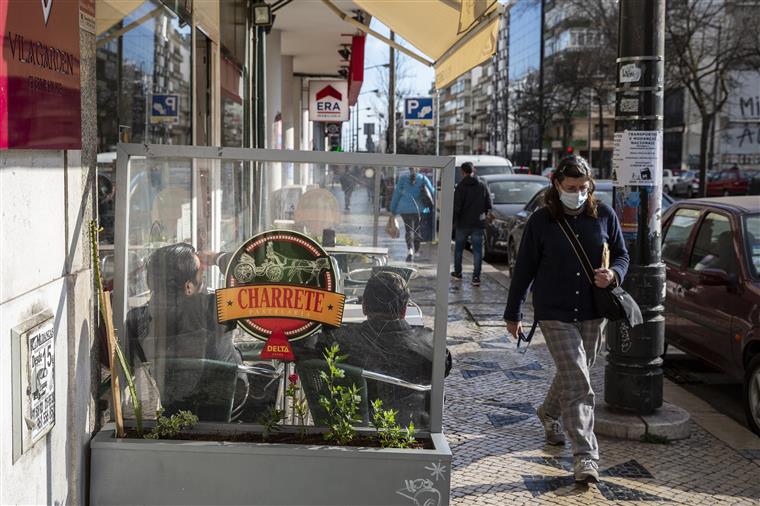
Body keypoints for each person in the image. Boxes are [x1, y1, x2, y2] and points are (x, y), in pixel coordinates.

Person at [503, 155, 629, 484]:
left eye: (583, 188)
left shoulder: (604, 214)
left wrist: (613, 274)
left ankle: (548, 412)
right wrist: (513, 312)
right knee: (579, 381)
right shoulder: (541, 220)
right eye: (571, 187)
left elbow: (622, 254)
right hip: (554, 312)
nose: (577, 193)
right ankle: (586, 456)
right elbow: (524, 269)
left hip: (593, 310)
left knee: (577, 370)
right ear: (557, 185)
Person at [316, 271, 451, 427]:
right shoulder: (430, 345)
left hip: (352, 432)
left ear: (364, 307)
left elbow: (312, 350)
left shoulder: (340, 341)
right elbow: (444, 368)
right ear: (405, 310)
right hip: (412, 433)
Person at [451, 162, 492, 286]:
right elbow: (488, 204)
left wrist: (453, 222)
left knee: (459, 250)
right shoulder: (482, 185)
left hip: (463, 224)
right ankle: (476, 277)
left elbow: (456, 207)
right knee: (478, 251)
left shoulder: (460, 186)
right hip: (478, 224)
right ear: (473, 170)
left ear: (463, 172)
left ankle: (458, 273)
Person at [390, 168, 435, 262]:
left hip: (405, 209)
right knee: (418, 229)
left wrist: (393, 209)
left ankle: (410, 250)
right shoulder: (423, 178)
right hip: (420, 209)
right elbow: (432, 192)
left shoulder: (402, 179)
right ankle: (417, 250)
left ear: (409, 170)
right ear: (417, 169)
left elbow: (396, 194)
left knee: (409, 230)